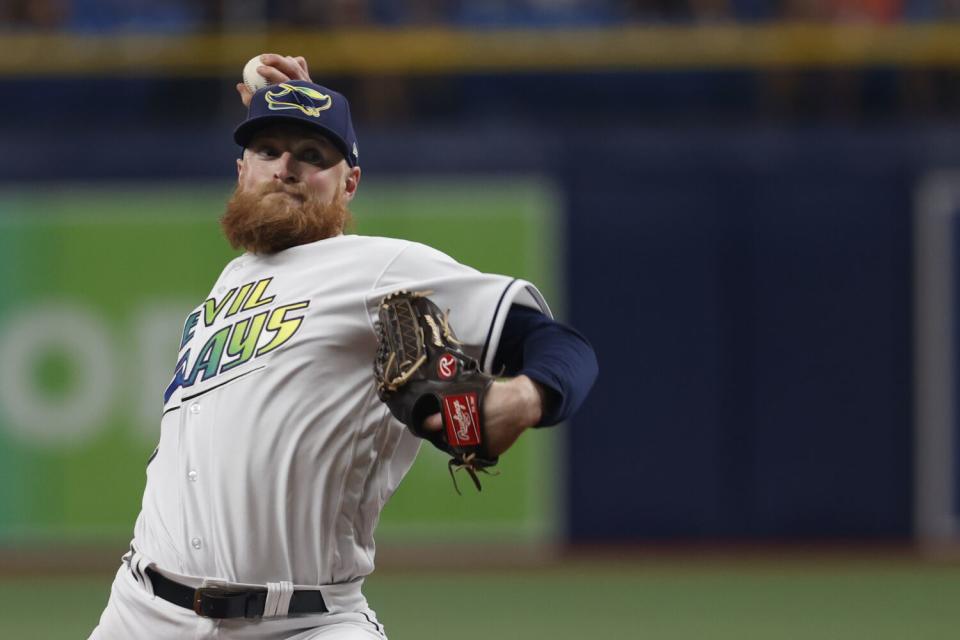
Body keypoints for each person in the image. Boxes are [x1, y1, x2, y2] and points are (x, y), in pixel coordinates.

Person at [89, 54, 598, 640]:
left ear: (349, 182)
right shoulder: (231, 282)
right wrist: (305, 106)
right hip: (141, 611)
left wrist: (525, 399)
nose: (286, 168)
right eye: (267, 150)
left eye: (313, 156)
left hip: (304, 622)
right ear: (240, 171)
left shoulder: (378, 268)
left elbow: (559, 344)